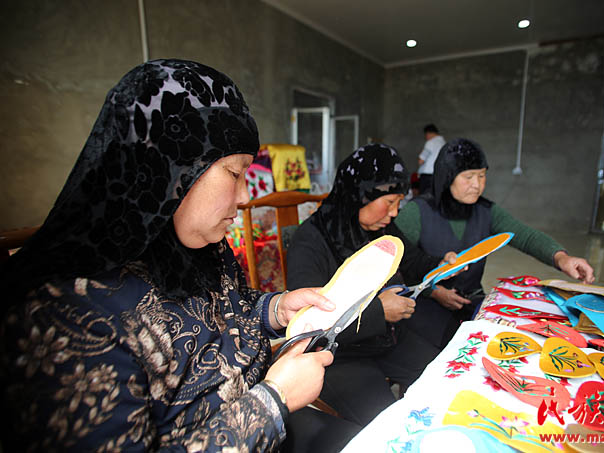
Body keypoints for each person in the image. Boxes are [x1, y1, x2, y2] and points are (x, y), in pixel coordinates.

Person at [0, 59, 360, 452]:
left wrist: (276, 309)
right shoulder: (66, 312)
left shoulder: (197, 245)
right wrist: (273, 401)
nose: (245, 197)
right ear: (173, 168)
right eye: (233, 173)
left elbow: (229, 309)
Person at [286, 143, 455, 427]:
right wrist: (378, 311)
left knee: (445, 381)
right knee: (389, 424)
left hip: (384, 338)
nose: (394, 212)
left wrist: (439, 264)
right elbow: (310, 327)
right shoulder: (311, 240)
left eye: (399, 203)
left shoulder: (379, 227)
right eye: (389, 202)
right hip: (336, 355)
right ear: (359, 194)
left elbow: (411, 260)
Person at [395, 138, 595, 349]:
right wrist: (433, 292)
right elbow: (396, 265)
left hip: (471, 301)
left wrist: (561, 258)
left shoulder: (485, 211)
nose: (477, 185)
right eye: (468, 177)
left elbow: (525, 236)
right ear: (447, 177)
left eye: (482, 176)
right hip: (422, 305)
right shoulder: (417, 212)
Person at [417, 124, 446, 195]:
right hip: (439, 175)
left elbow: (421, 160)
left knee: (424, 197)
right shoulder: (444, 143)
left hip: (427, 176)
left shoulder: (430, 143)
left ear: (428, 133)